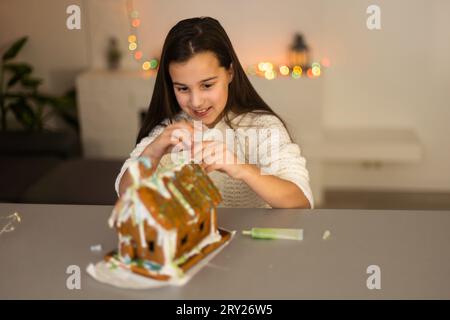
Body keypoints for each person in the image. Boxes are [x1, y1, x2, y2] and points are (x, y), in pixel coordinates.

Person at [115, 17, 313, 209]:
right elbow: (125, 192)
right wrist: (153, 150)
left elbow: (301, 199)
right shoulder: (167, 130)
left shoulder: (262, 127)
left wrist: (241, 169)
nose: (196, 101)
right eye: (183, 88)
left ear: (230, 72)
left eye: (207, 85)